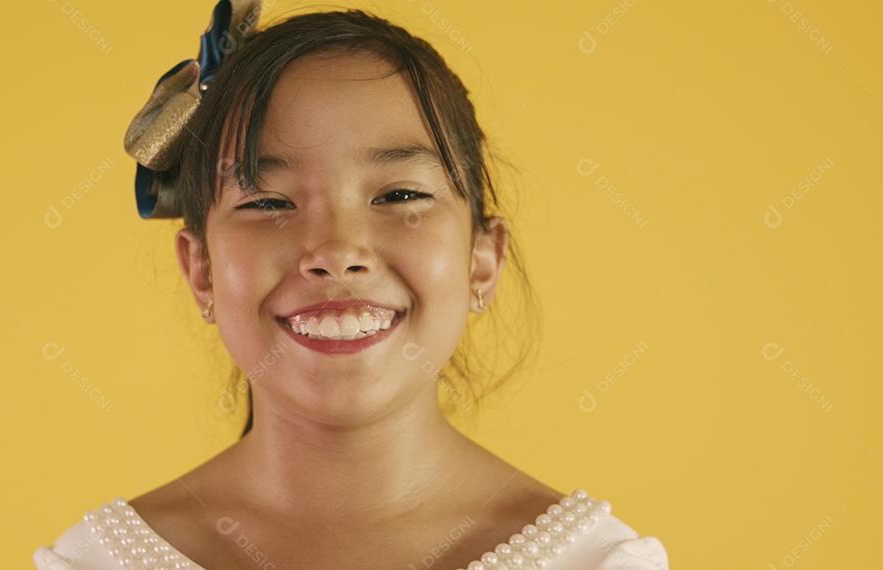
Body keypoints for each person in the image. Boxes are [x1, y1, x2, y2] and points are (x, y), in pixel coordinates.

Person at [34, 2, 669, 568]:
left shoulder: (597, 562)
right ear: (200, 270)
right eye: (266, 201)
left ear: (483, 260)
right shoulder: (96, 563)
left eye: (399, 195)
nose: (336, 252)